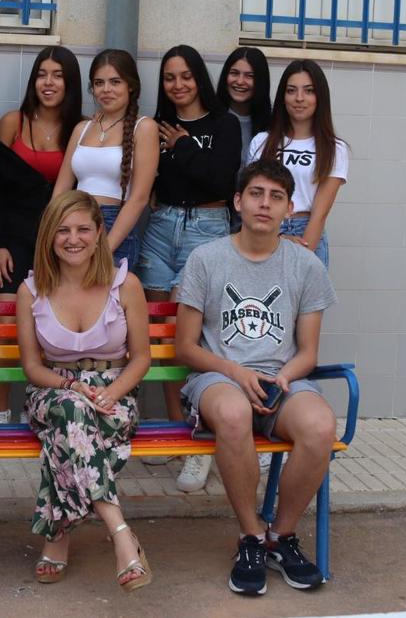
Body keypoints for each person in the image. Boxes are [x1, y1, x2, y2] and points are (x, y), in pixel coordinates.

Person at [175, 159, 338, 596]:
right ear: (238, 202)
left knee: (320, 425)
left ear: (288, 209)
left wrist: (283, 377)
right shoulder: (206, 259)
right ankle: (250, 535)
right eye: (256, 194)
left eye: (276, 197)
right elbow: (186, 347)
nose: (265, 204)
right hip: (218, 378)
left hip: (282, 380)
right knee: (232, 413)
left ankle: (279, 537)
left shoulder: (305, 266)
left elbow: (308, 352)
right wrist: (235, 371)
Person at [17, 190, 153, 593]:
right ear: (49, 236)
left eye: (82, 229)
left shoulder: (125, 285)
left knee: (70, 434)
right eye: (62, 230)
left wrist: (113, 392)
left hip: (114, 392)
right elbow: (32, 366)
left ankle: (56, 535)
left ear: (98, 233)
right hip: (53, 392)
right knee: (71, 412)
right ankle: (120, 532)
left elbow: (142, 358)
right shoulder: (32, 290)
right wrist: (71, 386)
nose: (73, 239)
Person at [137, 45, 242, 493]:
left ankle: (202, 441)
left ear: (199, 77)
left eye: (185, 76)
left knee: (193, 335)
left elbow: (220, 181)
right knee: (159, 336)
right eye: (169, 78)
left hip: (208, 228)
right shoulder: (155, 126)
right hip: (161, 228)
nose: (177, 85)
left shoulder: (223, 124)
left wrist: (180, 146)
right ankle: (176, 434)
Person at [0, 46, 83, 424]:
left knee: (53, 324)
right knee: (5, 323)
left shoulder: (82, 127)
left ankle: (41, 408)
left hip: (62, 243)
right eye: (42, 73)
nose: (49, 82)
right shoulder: (13, 122)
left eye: (58, 75)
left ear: (70, 83)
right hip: (13, 240)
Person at [53, 49, 157, 267]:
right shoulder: (82, 128)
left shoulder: (144, 127)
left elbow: (139, 198)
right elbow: (61, 190)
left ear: (130, 85)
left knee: (107, 298)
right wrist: (53, 229)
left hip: (114, 224)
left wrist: (105, 248)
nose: (106, 89)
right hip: (72, 222)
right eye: (99, 83)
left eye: (115, 82)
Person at [245, 60, 348, 269]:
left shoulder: (334, 148)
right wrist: (278, 238)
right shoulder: (261, 142)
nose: (299, 98)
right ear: (283, 97)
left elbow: (320, 214)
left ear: (320, 97)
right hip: (265, 228)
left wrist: (301, 251)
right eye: (291, 90)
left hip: (307, 230)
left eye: (308, 91)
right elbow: (252, 196)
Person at [217, 47, 272, 154]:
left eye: (249, 76)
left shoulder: (273, 123)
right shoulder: (210, 117)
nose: (240, 81)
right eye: (234, 73)